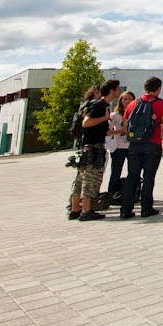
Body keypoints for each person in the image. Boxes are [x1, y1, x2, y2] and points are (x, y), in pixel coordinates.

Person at [120, 77, 163, 220]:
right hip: (152, 143)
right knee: (149, 176)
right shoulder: (160, 104)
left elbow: (125, 125)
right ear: (158, 88)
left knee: (132, 176)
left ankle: (125, 209)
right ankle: (146, 208)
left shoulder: (133, 103)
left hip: (134, 145)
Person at [68, 79, 119, 222]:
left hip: (86, 147)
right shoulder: (99, 105)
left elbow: (101, 130)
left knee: (80, 179)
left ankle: (75, 210)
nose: (119, 92)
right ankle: (86, 211)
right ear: (112, 91)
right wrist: (105, 117)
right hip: (94, 149)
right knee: (91, 180)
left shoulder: (96, 104)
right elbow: (87, 123)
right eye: (117, 89)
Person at [104, 90, 134, 204]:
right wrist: (121, 130)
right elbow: (107, 131)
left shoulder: (135, 114)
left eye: (129, 99)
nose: (127, 101)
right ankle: (111, 194)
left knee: (133, 171)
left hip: (132, 146)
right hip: (119, 147)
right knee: (116, 171)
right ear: (121, 101)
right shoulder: (115, 115)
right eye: (125, 99)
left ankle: (132, 193)